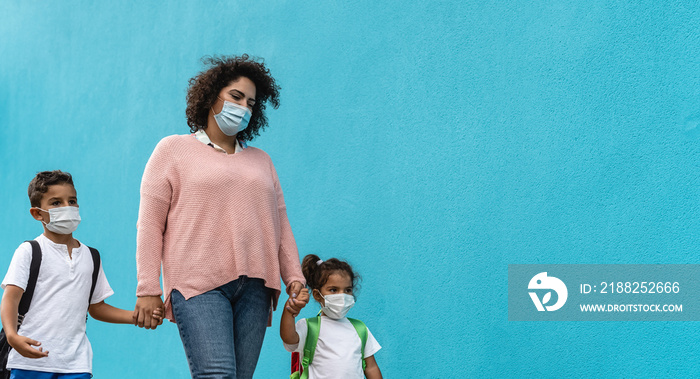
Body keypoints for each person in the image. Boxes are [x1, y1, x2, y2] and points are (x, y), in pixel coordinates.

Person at [133, 54, 307, 379]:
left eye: (251, 103)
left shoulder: (262, 161)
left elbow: (281, 226)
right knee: (218, 375)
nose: (242, 107)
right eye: (235, 97)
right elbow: (149, 225)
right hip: (198, 285)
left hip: (256, 286)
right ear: (212, 95)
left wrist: (294, 277)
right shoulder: (172, 150)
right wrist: (147, 288)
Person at [0, 170, 163, 379]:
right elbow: (10, 299)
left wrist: (137, 317)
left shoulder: (91, 256)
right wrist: (13, 337)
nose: (67, 207)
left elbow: (96, 308)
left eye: (72, 201)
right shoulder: (30, 251)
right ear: (38, 213)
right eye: (56, 203)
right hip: (30, 362)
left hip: (76, 364)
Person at [281, 254, 383, 379]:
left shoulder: (360, 329)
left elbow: (370, 367)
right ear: (317, 295)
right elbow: (288, 338)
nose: (342, 295)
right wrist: (290, 311)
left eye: (347, 290)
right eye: (333, 290)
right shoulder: (309, 327)